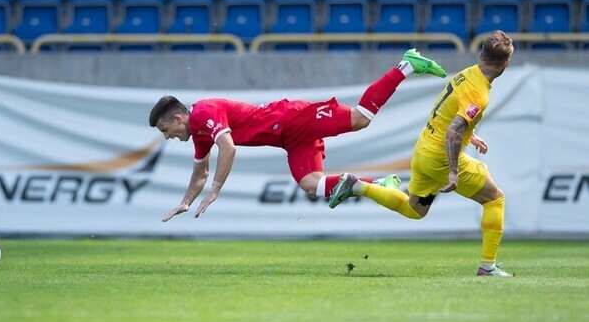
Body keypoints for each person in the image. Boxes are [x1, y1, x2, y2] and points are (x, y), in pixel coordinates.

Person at [149, 49, 446, 222]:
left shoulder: (203, 112)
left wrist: (215, 190)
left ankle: (406, 65)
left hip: (292, 119)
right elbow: (200, 169)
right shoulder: (199, 132)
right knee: (312, 185)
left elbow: (228, 149)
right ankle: (380, 183)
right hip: (288, 139)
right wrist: (186, 200)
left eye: (166, 130)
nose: (167, 137)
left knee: (360, 118)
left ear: (177, 118)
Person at [329, 30, 515, 277]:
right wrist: (453, 172)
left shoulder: (467, 74)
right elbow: (453, 131)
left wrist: (471, 136)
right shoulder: (479, 94)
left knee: (415, 210)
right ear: (506, 63)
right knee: (495, 199)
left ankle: (357, 186)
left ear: (481, 54)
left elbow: (450, 115)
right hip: (440, 158)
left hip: (423, 150)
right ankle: (487, 267)